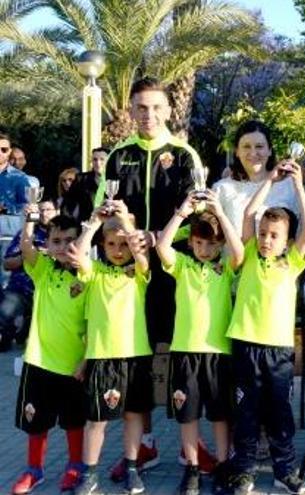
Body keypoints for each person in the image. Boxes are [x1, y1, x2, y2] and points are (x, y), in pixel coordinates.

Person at [101, 77, 208, 478]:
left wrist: (159, 238)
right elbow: (104, 209)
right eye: (141, 108)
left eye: (156, 108)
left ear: (168, 110)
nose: (148, 115)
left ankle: (191, 446)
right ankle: (144, 445)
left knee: (184, 355)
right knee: (137, 357)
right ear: (130, 110)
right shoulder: (118, 155)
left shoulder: (184, 155)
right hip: (131, 276)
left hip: (177, 272)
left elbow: (200, 219)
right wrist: (127, 238)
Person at [224, 160, 305, 495]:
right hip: (246, 346)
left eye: (274, 236)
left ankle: (284, 471)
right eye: (263, 234)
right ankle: (243, 471)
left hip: (279, 351)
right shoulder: (247, 253)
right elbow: (248, 214)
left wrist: (298, 185)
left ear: (286, 241)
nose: (265, 240)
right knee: (246, 413)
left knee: (279, 415)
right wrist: (271, 181)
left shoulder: (292, 262)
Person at [155, 191, 244, 495]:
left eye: (211, 243)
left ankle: (223, 465)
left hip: (219, 353)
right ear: (191, 242)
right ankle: (191, 467)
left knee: (221, 415)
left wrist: (219, 213)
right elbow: (162, 245)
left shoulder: (225, 268)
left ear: (219, 243)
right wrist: (183, 213)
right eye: (199, 243)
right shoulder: (182, 265)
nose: (205, 249)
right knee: (188, 414)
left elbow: (239, 252)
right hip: (185, 352)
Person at [71, 201, 152, 495]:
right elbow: (76, 254)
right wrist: (93, 222)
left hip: (135, 356)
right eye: (111, 244)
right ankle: (89, 475)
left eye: (123, 244)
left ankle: (132, 468)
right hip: (102, 357)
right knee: (97, 420)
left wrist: (124, 220)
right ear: (102, 245)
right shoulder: (94, 272)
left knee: (133, 416)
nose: (119, 250)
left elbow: (142, 252)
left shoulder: (139, 273)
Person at [9, 213, 86, 495]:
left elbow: (96, 324)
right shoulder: (43, 270)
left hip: (72, 366)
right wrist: (29, 219)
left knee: (74, 421)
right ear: (48, 245)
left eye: (70, 240)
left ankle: (75, 465)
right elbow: (27, 249)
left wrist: (86, 359)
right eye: (56, 241)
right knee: (36, 422)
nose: (64, 246)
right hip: (38, 362)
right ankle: (34, 469)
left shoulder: (89, 277)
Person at [212, 120, 300, 237]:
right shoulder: (221, 189)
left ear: (269, 150)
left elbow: (300, 230)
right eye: (246, 147)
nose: (253, 153)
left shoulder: (288, 186)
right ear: (237, 151)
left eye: (259, 146)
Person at [0, 199, 57, 350]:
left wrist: (52, 254)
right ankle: (7, 333)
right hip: (21, 290)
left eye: (49, 210)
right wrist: (29, 254)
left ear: (57, 212)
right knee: (8, 306)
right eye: (41, 210)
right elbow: (6, 264)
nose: (44, 213)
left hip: (50, 292)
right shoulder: (25, 234)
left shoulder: (61, 236)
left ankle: (26, 326)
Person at [0, 133, 31, 287]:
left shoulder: (19, 177)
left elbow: (28, 207)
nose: (0, 152)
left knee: (4, 286)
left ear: (9, 151)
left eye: (4, 149)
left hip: (7, 238)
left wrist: (6, 208)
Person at [62, 147, 109, 222]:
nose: (98, 163)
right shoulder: (81, 179)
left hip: (110, 226)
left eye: (102, 159)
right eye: (95, 159)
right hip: (87, 224)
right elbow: (69, 204)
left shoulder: (117, 179)